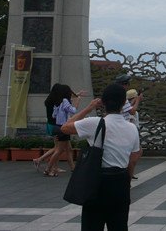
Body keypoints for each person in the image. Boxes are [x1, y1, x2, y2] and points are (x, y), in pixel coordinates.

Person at [61, 83, 141, 230]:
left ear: (103, 102)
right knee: (119, 226)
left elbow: (65, 127)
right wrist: (127, 181)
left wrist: (89, 107)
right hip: (120, 182)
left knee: (92, 225)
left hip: (96, 182)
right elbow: (133, 159)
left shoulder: (94, 123)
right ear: (124, 103)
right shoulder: (132, 129)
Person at [51, 85, 85, 174]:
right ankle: (49, 168)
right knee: (59, 150)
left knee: (68, 148)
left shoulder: (58, 101)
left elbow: (53, 115)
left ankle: (73, 167)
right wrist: (77, 102)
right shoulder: (65, 100)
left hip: (58, 126)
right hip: (63, 127)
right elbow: (73, 111)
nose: (71, 93)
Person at [115, 74, 143, 179]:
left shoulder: (115, 95)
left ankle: (128, 174)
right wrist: (138, 101)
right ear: (125, 84)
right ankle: (128, 175)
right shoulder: (122, 97)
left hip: (116, 127)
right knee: (136, 152)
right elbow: (132, 111)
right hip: (124, 129)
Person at [34, 83, 66, 174]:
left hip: (50, 124)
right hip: (55, 125)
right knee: (58, 148)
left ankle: (54, 166)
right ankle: (40, 160)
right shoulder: (56, 101)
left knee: (57, 147)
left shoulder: (49, 100)